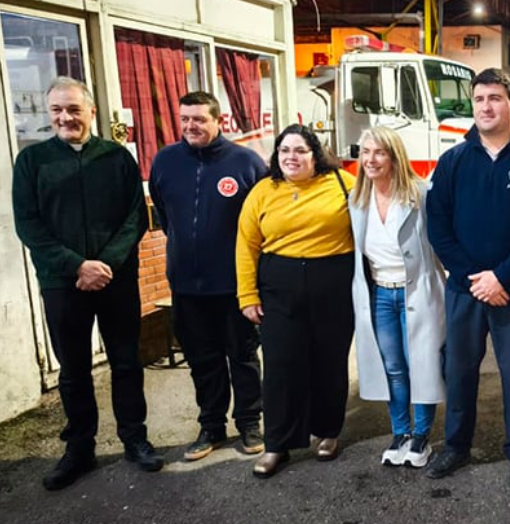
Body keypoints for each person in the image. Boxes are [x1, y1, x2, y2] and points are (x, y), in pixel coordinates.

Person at [12, 76, 163, 490]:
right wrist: (77, 265)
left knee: (126, 362)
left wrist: (105, 264)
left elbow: (135, 217)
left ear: (92, 112)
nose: (66, 117)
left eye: (74, 109)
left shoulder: (117, 158)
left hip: (116, 279)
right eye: (57, 110)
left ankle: (135, 439)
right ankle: (79, 448)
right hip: (62, 283)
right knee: (73, 369)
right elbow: (28, 224)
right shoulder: (32, 162)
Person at [424, 67, 510, 490]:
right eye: (480, 99)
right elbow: (438, 226)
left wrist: (501, 277)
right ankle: (456, 445)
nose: (486, 106)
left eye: (495, 98)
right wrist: (474, 278)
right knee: (459, 369)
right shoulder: (453, 161)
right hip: (465, 290)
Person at [149, 91, 266, 461]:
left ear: (218, 120)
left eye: (199, 119)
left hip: (235, 286)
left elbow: (262, 222)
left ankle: (249, 422)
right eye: (185, 118)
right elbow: (165, 215)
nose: (190, 126)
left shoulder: (246, 163)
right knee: (203, 361)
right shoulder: (165, 161)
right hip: (186, 285)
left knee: (243, 357)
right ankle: (211, 426)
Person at [236, 124, 357, 478]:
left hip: (334, 285)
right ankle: (277, 444)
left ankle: (327, 431)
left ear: (315, 154)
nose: (291, 157)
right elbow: (246, 245)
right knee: (280, 365)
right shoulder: (263, 191)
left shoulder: (343, 184)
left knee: (330, 362)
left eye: (300, 150)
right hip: (279, 287)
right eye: (284, 150)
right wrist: (247, 295)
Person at [349, 127, 446, 468]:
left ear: (394, 157)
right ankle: (400, 433)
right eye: (365, 152)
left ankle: (421, 436)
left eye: (379, 152)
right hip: (379, 294)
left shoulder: (421, 195)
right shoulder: (357, 200)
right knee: (392, 368)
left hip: (416, 292)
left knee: (421, 364)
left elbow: (443, 242)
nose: (371, 159)